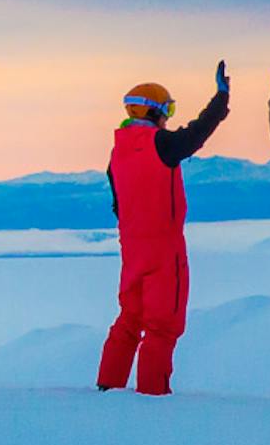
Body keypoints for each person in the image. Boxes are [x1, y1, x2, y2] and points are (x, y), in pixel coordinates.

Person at [99, 62, 232, 394]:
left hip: (132, 249)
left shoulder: (118, 152)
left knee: (129, 320)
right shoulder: (161, 144)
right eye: (168, 109)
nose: (169, 117)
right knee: (163, 325)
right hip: (164, 249)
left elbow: (119, 204)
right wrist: (220, 99)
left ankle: (107, 388)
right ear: (157, 111)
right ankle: (152, 397)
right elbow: (196, 134)